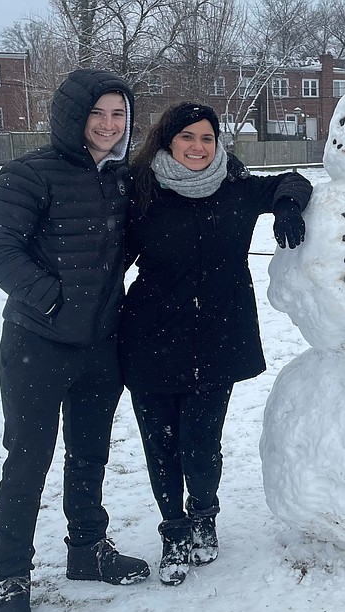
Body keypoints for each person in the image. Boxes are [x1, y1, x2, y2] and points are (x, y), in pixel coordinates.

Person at [0, 69, 150, 612]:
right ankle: (9, 579)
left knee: (89, 453)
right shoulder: (29, 173)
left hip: (101, 344)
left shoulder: (124, 179)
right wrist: (53, 303)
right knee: (27, 461)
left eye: (119, 115)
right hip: (38, 343)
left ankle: (87, 547)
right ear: (72, 116)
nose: (108, 125)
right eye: (98, 114)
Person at [119, 102, 312, 586]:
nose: (198, 148)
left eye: (207, 138)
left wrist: (286, 207)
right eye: (187, 137)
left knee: (201, 446)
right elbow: (106, 256)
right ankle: (173, 532)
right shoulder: (140, 191)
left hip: (218, 337)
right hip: (151, 336)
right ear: (167, 142)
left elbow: (295, 180)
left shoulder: (238, 188)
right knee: (161, 445)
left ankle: (204, 516)